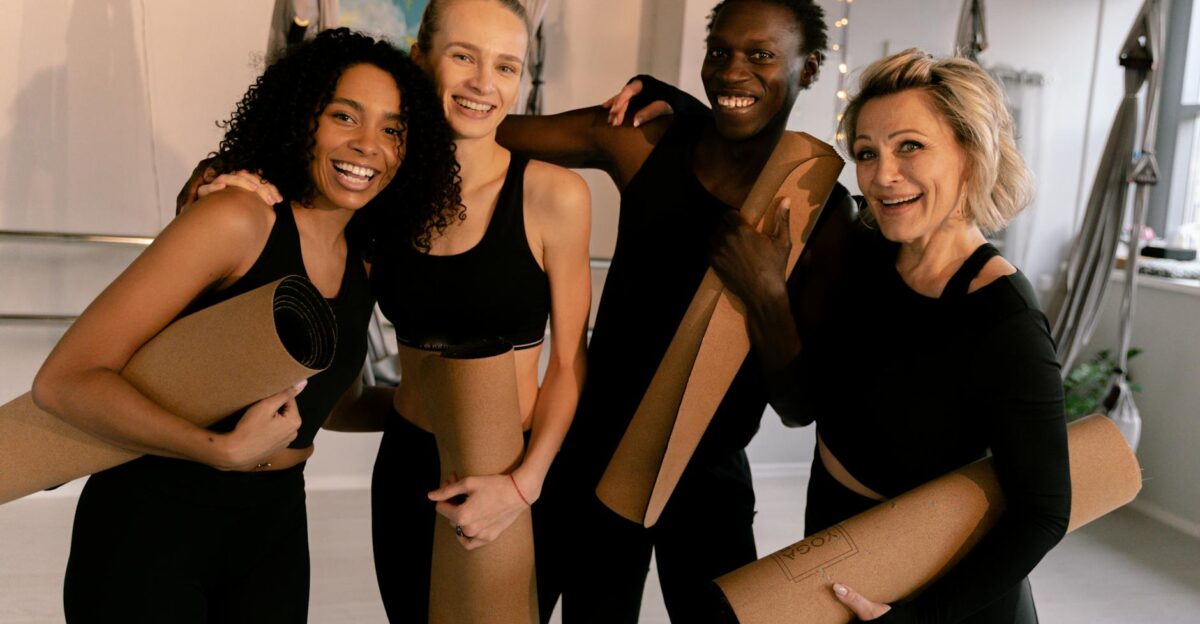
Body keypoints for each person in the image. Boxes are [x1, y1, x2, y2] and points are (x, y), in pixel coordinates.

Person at [31, 28, 460, 623]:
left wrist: (444, 409)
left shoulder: (364, 260)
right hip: (153, 518)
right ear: (300, 118)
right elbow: (64, 381)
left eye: (393, 129)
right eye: (345, 116)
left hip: (275, 525)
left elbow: (331, 406)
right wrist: (220, 450)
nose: (369, 146)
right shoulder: (236, 217)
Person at [493, 1, 854, 621]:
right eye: (720, 52)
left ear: (810, 66)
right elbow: (495, 134)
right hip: (593, 458)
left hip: (709, 480)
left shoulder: (824, 214)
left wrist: (765, 292)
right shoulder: (647, 140)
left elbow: (798, 407)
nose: (733, 71)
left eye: (761, 55)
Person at [705, 49, 1071, 623]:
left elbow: (1044, 513)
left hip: (942, 588)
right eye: (867, 153)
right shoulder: (861, 257)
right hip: (838, 535)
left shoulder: (1004, 319)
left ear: (971, 156)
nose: (882, 175)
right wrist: (766, 295)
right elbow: (802, 405)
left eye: (910, 146)